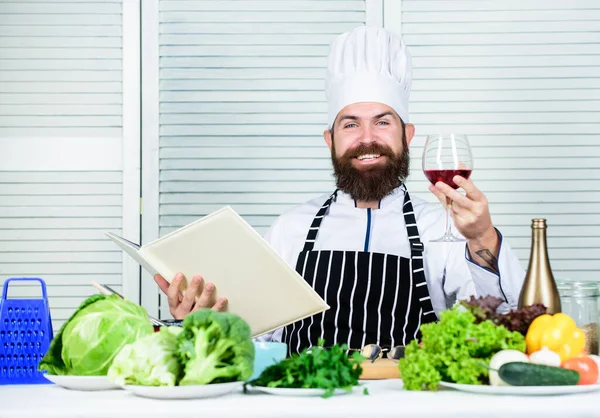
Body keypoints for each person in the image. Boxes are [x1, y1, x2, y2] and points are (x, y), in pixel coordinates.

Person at [154, 26, 525, 355]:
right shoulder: (291, 228)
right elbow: (256, 341)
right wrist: (205, 321)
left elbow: (500, 323)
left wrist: (482, 239)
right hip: (303, 403)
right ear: (329, 140)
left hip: (408, 405)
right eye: (350, 125)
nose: (367, 140)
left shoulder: (441, 229)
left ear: (407, 136)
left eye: (382, 122)